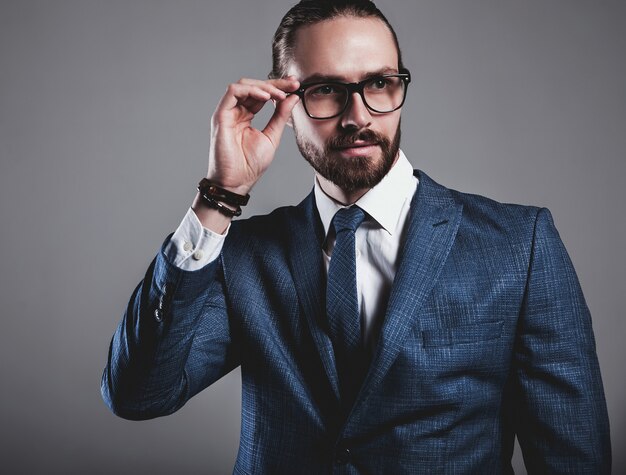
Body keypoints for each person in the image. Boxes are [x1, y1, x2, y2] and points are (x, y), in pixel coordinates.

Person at [101, 0, 611, 472]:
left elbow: (571, 455)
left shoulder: (518, 245)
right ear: (283, 101)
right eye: (325, 90)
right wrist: (218, 197)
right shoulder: (244, 256)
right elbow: (139, 395)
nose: (359, 116)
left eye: (381, 84)